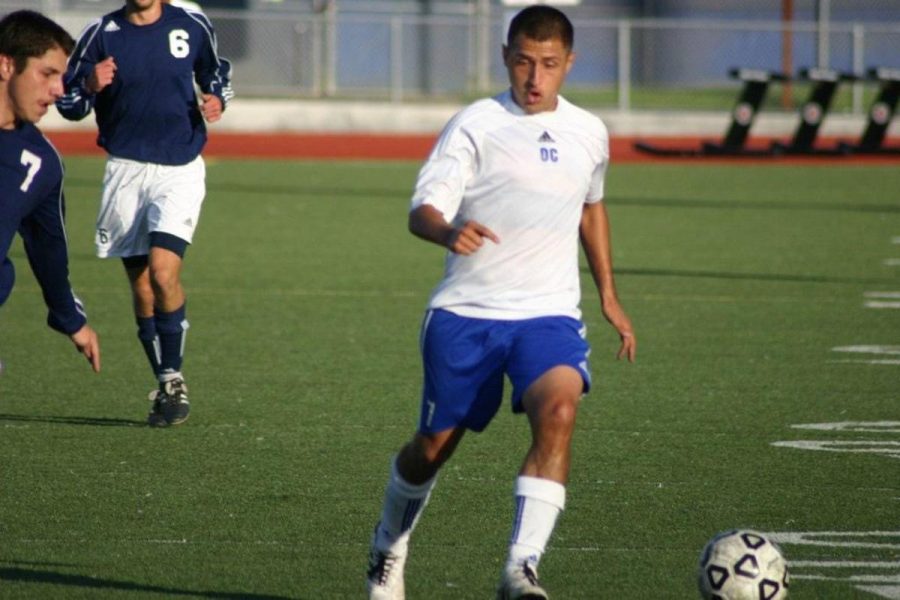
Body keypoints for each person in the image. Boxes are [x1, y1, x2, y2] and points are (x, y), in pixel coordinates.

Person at [365, 6, 636, 599]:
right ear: (505, 58)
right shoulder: (474, 125)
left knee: (560, 411)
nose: (533, 78)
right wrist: (446, 232)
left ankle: (521, 568)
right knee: (433, 448)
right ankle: (389, 542)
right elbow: (423, 210)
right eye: (521, 62)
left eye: (547, 65)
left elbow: (592, 207)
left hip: (549, 314)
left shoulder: (589, 132)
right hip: (468, 314)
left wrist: (609, 296)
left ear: (569, 63)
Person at [56, 0, 231, 426]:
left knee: (163, 273)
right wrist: (93, 85)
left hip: (180, 168)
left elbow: (215, 71)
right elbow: (68, 103)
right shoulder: (101, 33)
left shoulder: (189, 24)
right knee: (143, 287)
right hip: (126, 172)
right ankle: (166, 382)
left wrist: (216, 100)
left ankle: (173, 380)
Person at [0, 10, 101, 375]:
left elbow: (49, 250)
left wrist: (69, 319)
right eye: (47, 74)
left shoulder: (42, 163)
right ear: (7, 65)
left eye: (61, 77)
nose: (59, 90)